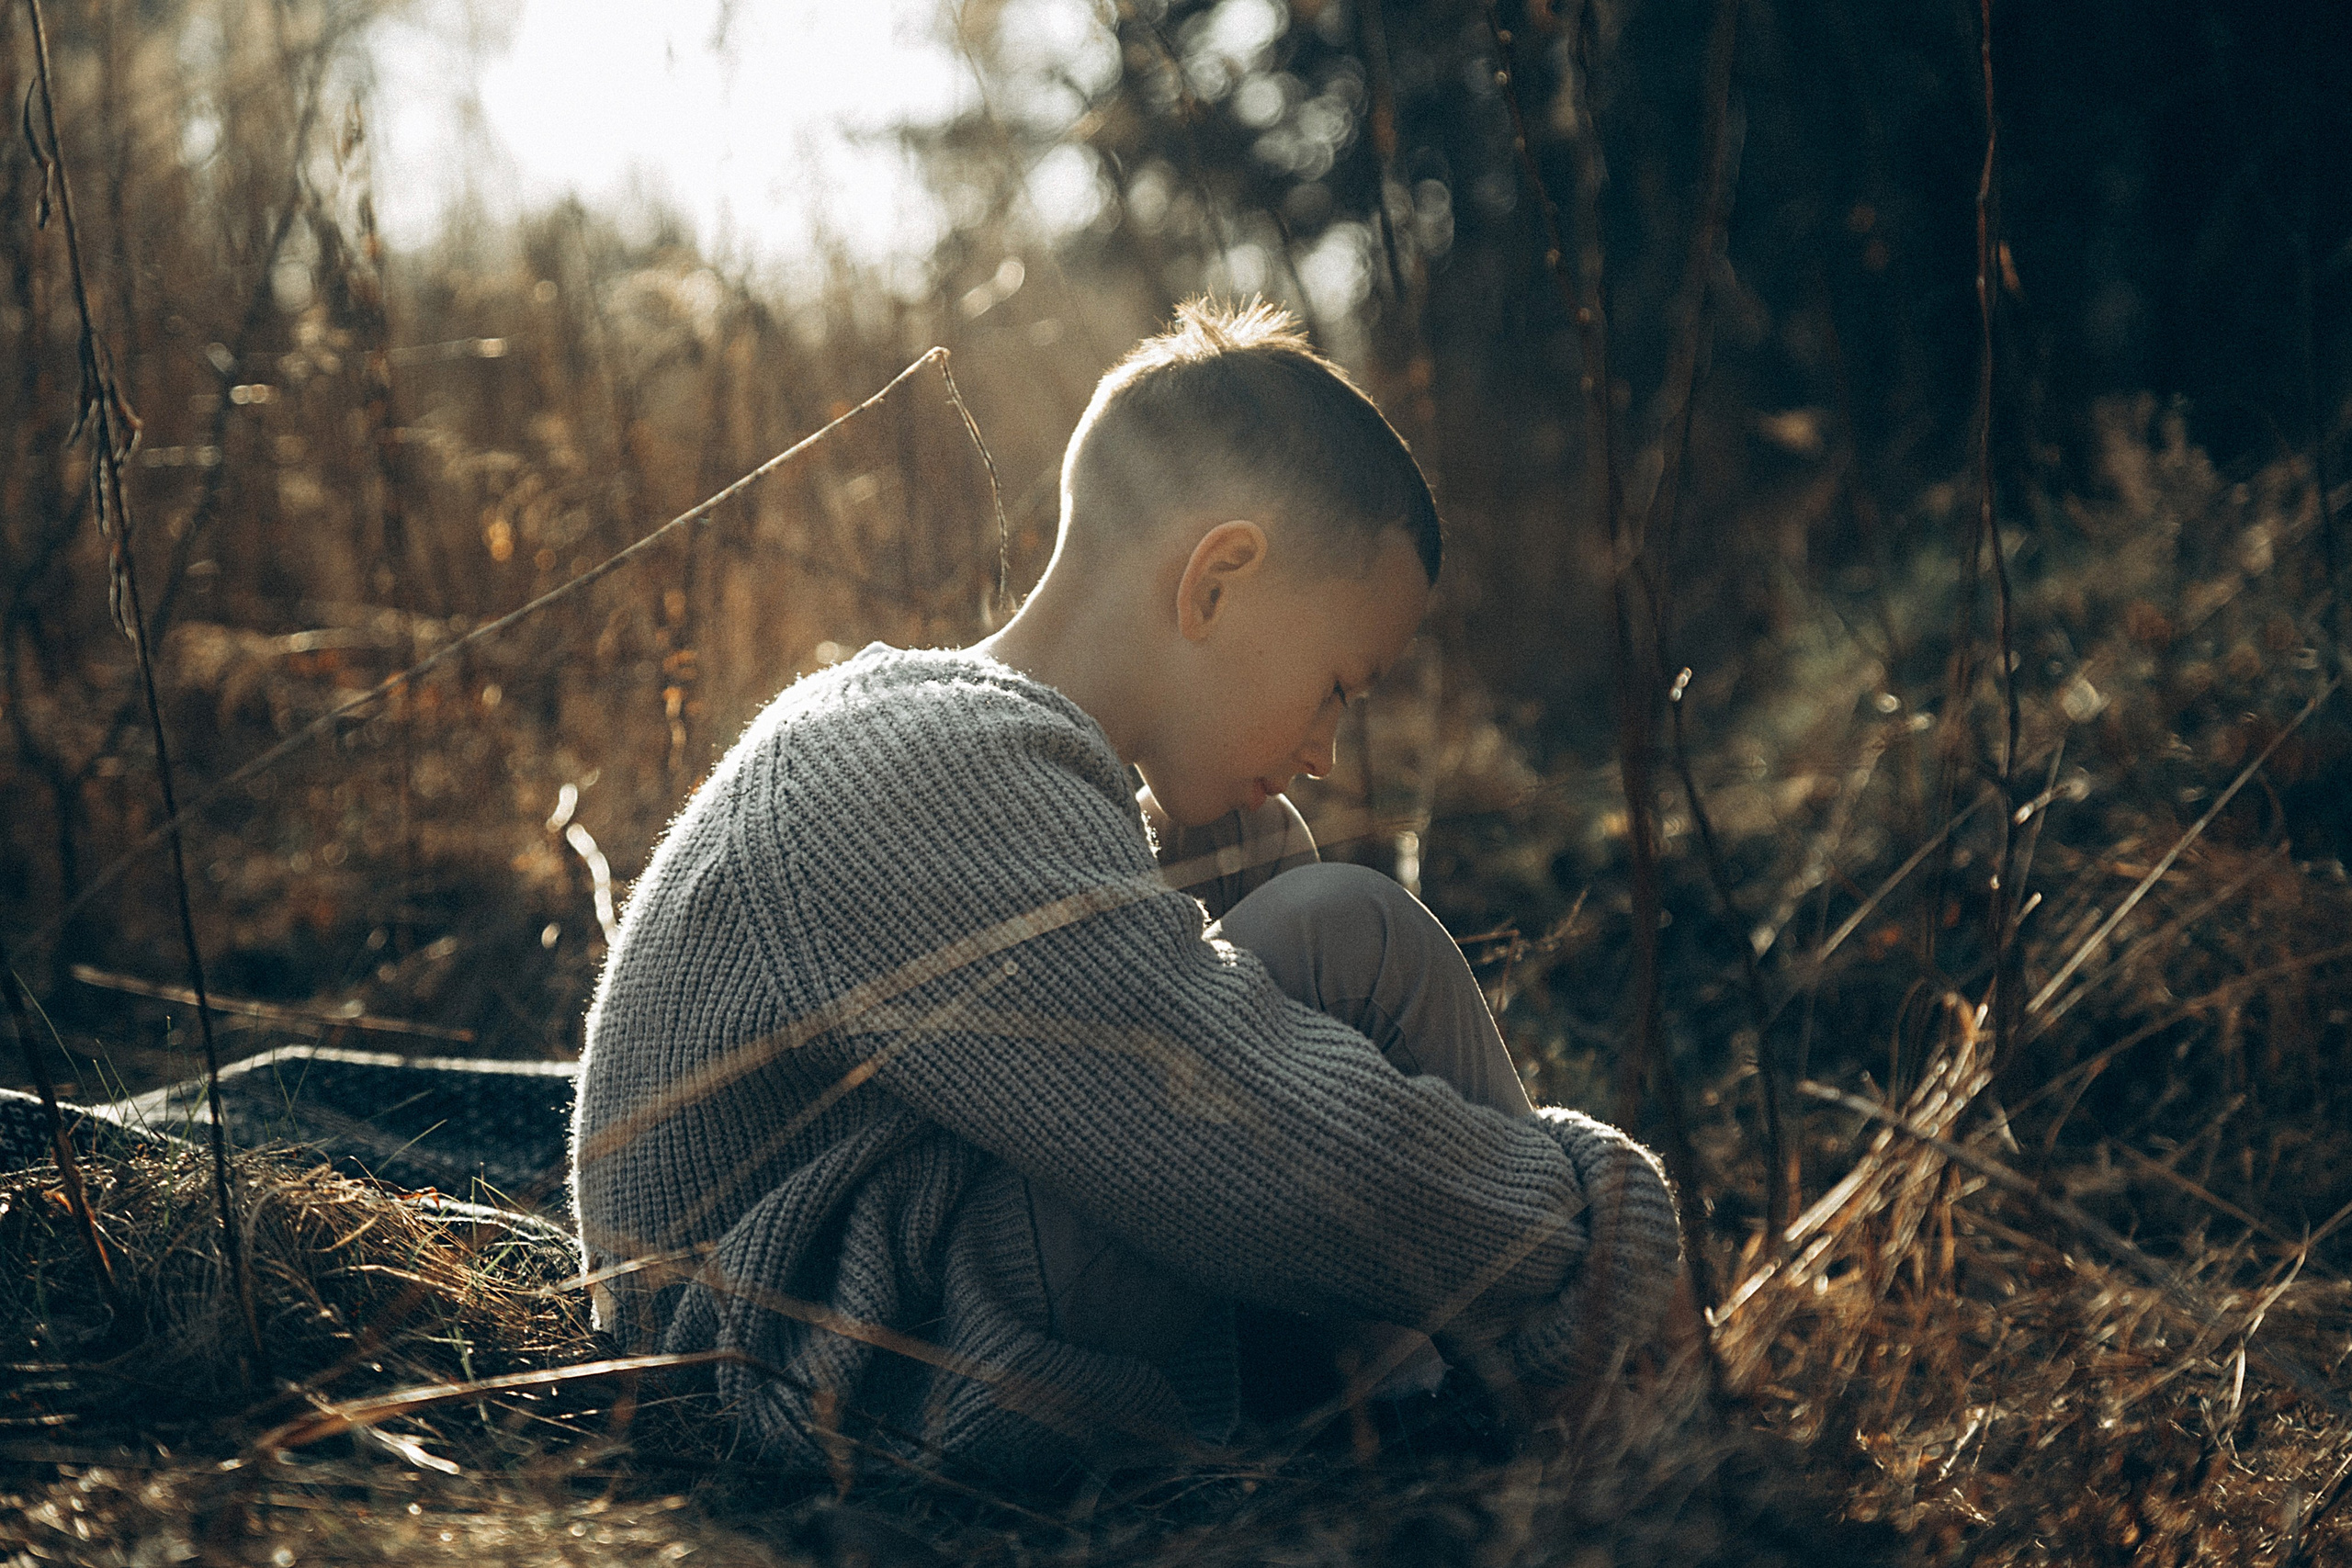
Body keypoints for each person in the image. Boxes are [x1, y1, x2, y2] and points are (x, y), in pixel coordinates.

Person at [570, 299, 1683, 1486]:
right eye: (1336, 688)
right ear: (1216, 583)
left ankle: (1473, 1402)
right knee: (1342, 928)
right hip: (811, 1368)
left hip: (917, 1297)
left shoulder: (987, 756)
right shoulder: (917, 768)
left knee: (1293, 891)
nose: (1326, 747)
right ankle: (1595, 1396)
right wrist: (1587, 1228)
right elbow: (1235, 1136)